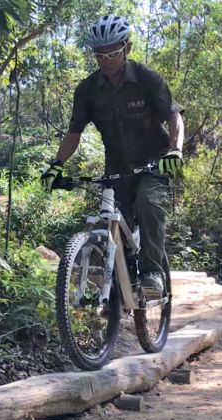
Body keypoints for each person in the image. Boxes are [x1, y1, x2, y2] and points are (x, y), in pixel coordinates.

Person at [41, 15, 184, 299]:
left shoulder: (146, 79)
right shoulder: (87, 90)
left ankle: (153, 274)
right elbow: (74, 133)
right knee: (110, 223)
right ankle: (120, 286)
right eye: (100, 55)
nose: (106, 60)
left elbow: (173, 117)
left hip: (154, 163)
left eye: (113, 53)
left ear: (127, 49)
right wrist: (56, 166)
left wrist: (175, 150)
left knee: (148, 202)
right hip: (117, 169)